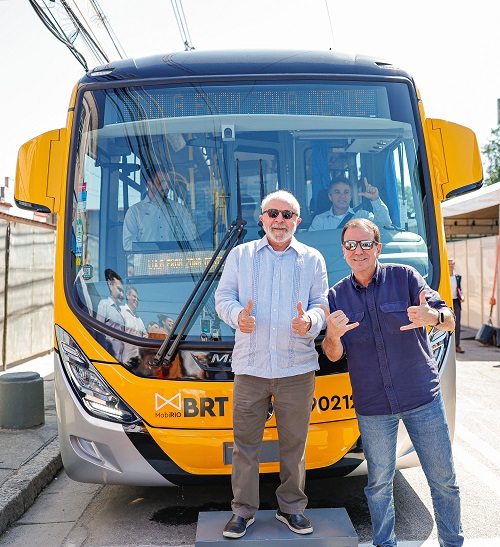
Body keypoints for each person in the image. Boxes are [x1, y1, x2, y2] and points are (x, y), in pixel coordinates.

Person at [321, 218, 463, 547]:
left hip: (421, 399)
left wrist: (434, 318)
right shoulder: (336, 295)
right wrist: (332, 335)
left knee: (444, 481)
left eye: (365, 244)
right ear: (343, 252)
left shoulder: (406, 278)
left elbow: (450, 320)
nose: (358, 251)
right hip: (374, 407)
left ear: (377, 248)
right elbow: (332, 354)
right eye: (351, 245)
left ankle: (453, 544)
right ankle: (386, 544)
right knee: (379, 484)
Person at [215, 189, 328, 539]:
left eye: (287, 214)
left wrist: (309, 321)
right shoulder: (240, 255)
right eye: (273, 213)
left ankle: (291, 509)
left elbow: (322, 304)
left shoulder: (312, 258)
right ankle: (243, 512)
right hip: (251, 367)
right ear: (262, 218)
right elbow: (223, 298)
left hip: (296, 368)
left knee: (294, 445)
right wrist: (238, 318)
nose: (279, 220)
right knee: (244, 445)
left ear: (297, 220)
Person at [123, 169, 197, 251]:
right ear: (149, 184)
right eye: (162, 183)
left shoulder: (179, 209)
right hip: (146, 262)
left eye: (168, 183)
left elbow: (192, 240)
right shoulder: (135, 211)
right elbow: (128, 244)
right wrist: (152, 251)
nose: (167, 187)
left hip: (174, 262)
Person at [309, 177, 392, 231]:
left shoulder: (363, 216)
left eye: (346, 192)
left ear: (350, 196)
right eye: (337, 192)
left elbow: (384, 225)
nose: (342, 195)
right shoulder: (320, 220)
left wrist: (375, 199)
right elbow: (312, 245)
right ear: (330, 196)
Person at [449, 259, 464, 353]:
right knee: (446, 323)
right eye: (449, 264)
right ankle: (448, 346)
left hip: (456, 302)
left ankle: (457, 345)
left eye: (452, 264)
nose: (451, 266)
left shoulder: (458, 277)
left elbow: (459, 289)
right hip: (446, 301)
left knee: (457, 324)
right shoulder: (443, 277)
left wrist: (462, 295)